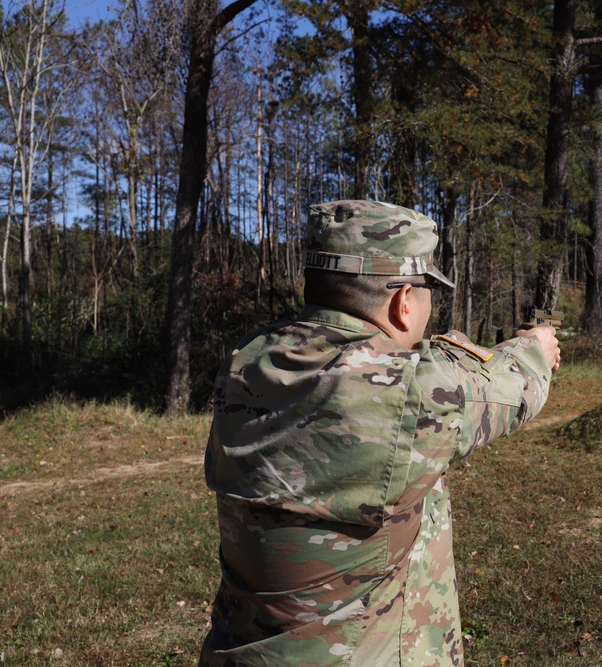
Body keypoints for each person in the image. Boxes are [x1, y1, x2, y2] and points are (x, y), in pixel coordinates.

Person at [199, 200, 560, 666]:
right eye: (429, 291)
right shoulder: (412, 392)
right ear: (403, 301)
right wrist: (532, 347)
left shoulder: (246, 364)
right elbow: (514, 387)